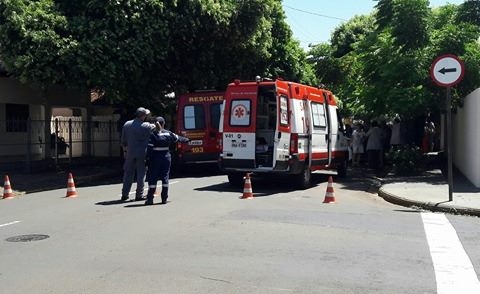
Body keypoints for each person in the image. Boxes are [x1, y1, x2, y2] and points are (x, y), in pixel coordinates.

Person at [145, 116, 189, 205]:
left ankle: (150, 199)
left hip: (155, 158)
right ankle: (164, 198)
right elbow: (178, 138)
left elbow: (149, 149)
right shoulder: (168, 133)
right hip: (166, 157)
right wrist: (187, 139)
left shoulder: (153, 134)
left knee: (153, 178)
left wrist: (147, 159)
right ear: (164, 124)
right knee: (165, 177)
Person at [120, 107, 159, 201]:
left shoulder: (127, 124)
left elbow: (123, 141)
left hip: (130, 153)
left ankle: (125, 194)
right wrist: (156, 122)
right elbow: (158, 129)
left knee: (128, 174)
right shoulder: (146, 126)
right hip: (142, 153)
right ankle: (139, 195)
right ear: (143, 116)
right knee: (141, 174)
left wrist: (125, 151)